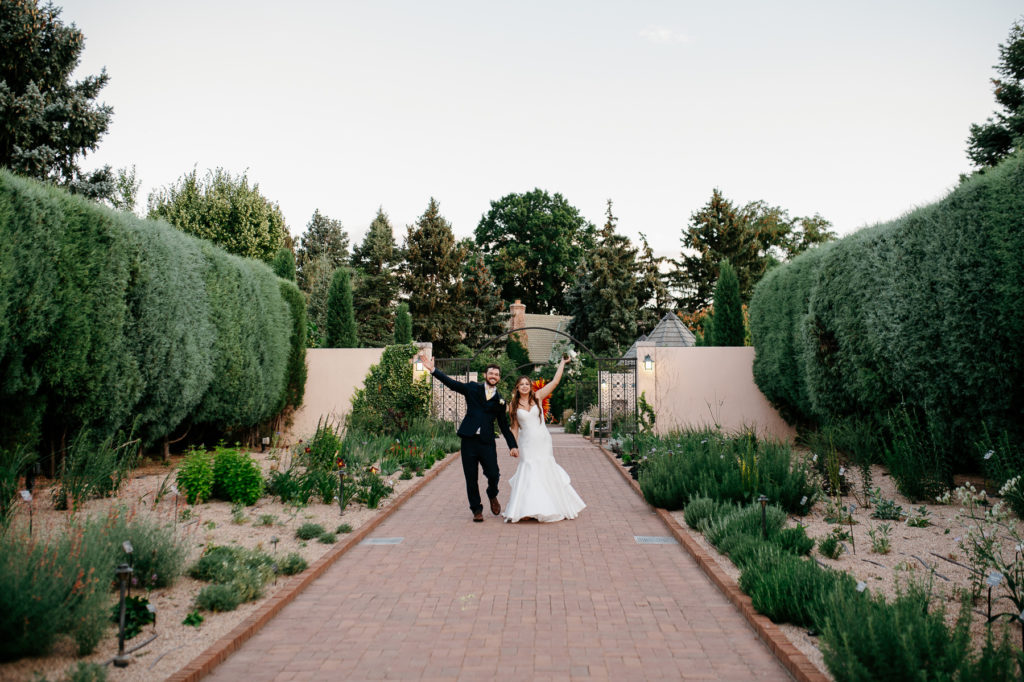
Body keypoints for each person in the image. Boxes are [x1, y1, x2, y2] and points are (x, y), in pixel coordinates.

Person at [418, 351, 518, 522]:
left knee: (494, 475)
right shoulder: (472, 388)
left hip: (487, 442)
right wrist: (434, 370)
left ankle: (492, 494)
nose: (493, 376)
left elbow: (503, 425)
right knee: (471, 477)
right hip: (469, 440)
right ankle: (476, 509)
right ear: (485, 375)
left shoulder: (501, 401)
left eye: (497, 374)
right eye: (491, 373)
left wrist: (512, 445)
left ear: (499, 378)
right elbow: (452, 384)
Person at [503, 356, 586, 523]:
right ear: (517, 387)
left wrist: (562, 363)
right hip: (526, 443)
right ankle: (526, 509)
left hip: (542, 441)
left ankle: (549, 507)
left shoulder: (538, 397)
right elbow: (514, 428)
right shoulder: (513, 405)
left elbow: (555, 382)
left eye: (527, 384)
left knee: (544, 470)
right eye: (522, 384)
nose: (525, 386)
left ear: (530, 386)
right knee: (529, 471)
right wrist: (513, 446)